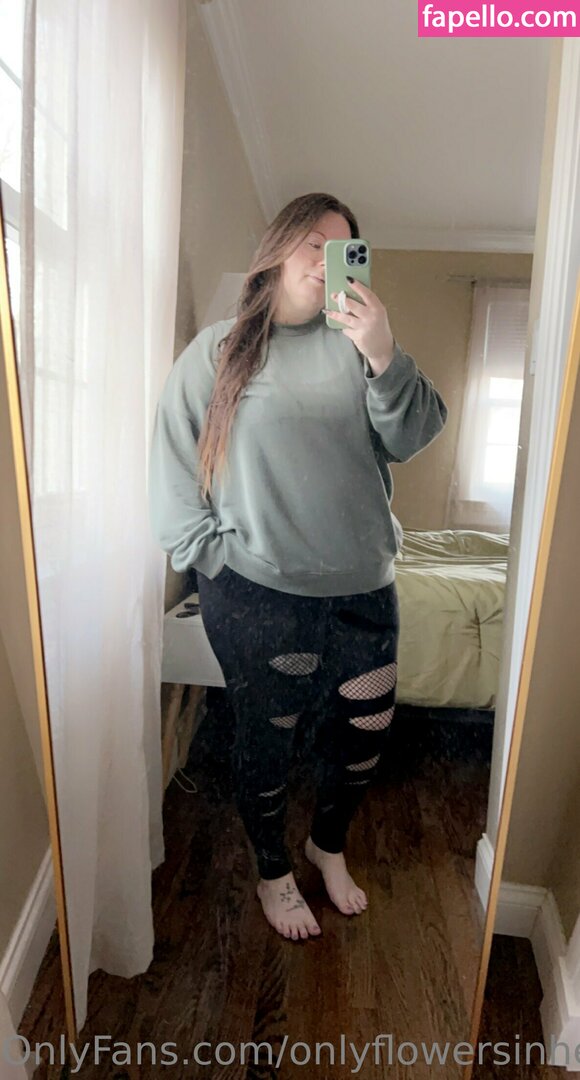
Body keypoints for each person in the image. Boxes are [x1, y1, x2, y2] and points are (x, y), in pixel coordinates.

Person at [148, 192, 448, 942]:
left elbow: (413, 434)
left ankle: (327, 846)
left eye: (342, 247)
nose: (325, 259)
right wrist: (212, 555)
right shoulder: (218, 351)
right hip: (256, 593)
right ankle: (273, 871)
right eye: (313, 242)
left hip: (364, 589)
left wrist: (383, 351)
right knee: (267, 739)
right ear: (277, 249)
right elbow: (173, 464)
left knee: (367, 732)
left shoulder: (359, 344)